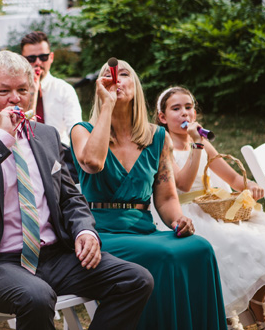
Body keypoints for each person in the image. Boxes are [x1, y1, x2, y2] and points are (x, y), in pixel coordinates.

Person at [0, 50, 153, 330]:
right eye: (4, 91)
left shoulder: (45, 134)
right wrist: (1, 138)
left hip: (56, 256)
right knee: (36, 297)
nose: (15, 98)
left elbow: (69, 196)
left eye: (22, 90)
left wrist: (85, 230)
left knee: (136, 280)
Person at [155, 86, 265, 330]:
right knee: (230, 246)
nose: (184, 113)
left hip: (216, 208)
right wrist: (197, 144)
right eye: (175, 109)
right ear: (163, 118)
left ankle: (258, 302)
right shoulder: (164, 146)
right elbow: (183, 184)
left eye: (188, 107)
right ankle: (228, 312)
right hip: (186, 212)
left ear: (195, 113)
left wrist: (249, 185)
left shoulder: (204, 145)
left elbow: (232, 178)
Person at [70, 59, 227, 330]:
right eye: (108, 74)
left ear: (136, 86)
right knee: (164, 255)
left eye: (124, 74)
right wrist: (107, 105)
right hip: (100, 234)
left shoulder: (157, 137)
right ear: (99, 87)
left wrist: (178, 220)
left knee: (201, 248)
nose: (116, 78)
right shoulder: (82, 131)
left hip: (143, 230)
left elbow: (166, 198)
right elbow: (93, 163)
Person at [20, 31, 82, 181]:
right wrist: (32, 94)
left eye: (43, 57)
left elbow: (74, 131)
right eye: (31, 58)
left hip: (59, 157)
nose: (38, 63)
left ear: (51, 57)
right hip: (25, 157)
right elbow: (23, 131)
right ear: (22, 60)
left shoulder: (64, 89)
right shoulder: (15, 92)